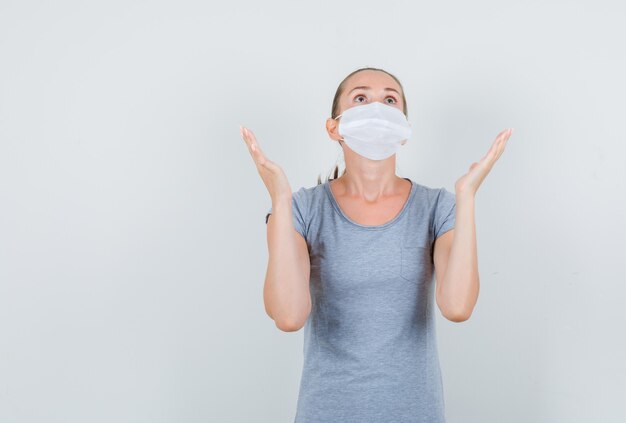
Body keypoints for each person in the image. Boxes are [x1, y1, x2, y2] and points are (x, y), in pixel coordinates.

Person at [240, 67, 512, 422]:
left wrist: (467, 195)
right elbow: (288, 316)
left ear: (404, 130)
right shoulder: (303, 209)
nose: (376, 109)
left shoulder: (438, 208)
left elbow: (457, 306)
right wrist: (280, 199)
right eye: (360, 98)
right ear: (333, 127)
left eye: (389, 100)